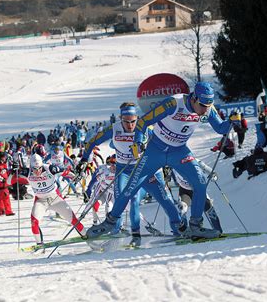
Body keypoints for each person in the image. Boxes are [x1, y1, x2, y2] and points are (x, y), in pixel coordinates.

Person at [86, 82, 232, 240]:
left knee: (201, 183)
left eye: (208, 106)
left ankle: (195, 226)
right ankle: (109, 223)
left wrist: (233, 121)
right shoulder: (173, 103)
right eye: (202, 105)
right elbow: (143, 122)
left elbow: (221, 128)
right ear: (194, 98)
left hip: (179, 151)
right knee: (130, 188)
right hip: (156, 150)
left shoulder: (208, 108)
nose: (205, 110)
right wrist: (138, 142)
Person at [80, 102, 183, 246]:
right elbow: (92, 141)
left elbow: (165, 143)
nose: (130, 125)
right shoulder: (114, 129)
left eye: (133, 121)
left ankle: (179, 228)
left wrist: (164, 164)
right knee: (122, 198)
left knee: (165, 199)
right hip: (125, 170)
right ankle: (128, 233)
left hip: (148, 169)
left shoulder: (147, 128)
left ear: (137, 118)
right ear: (120, 119)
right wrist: (84, 159)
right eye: (126, 122)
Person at [28, 154, 86, 245]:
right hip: (41, 201)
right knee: (34, 223)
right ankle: (39, 244)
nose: (37, 171)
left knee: (74, 220)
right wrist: (13, 170)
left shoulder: (50, 168)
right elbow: (9, 180)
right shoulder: (26, 172)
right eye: (34, 169)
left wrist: (75, 176)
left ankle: (86, 236)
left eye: (39, 168)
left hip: (55, 199)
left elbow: (66, 172)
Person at [0, 152, 15, 216]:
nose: (5, 158)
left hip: (4, 183)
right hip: (1, 184)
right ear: (1, 157)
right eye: (4, 157)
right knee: (6, 197)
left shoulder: (4, 164)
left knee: (1, 198)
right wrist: (2, 180)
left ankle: (2, 211)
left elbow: (6, 171)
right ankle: (8, 211)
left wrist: (11, 171)